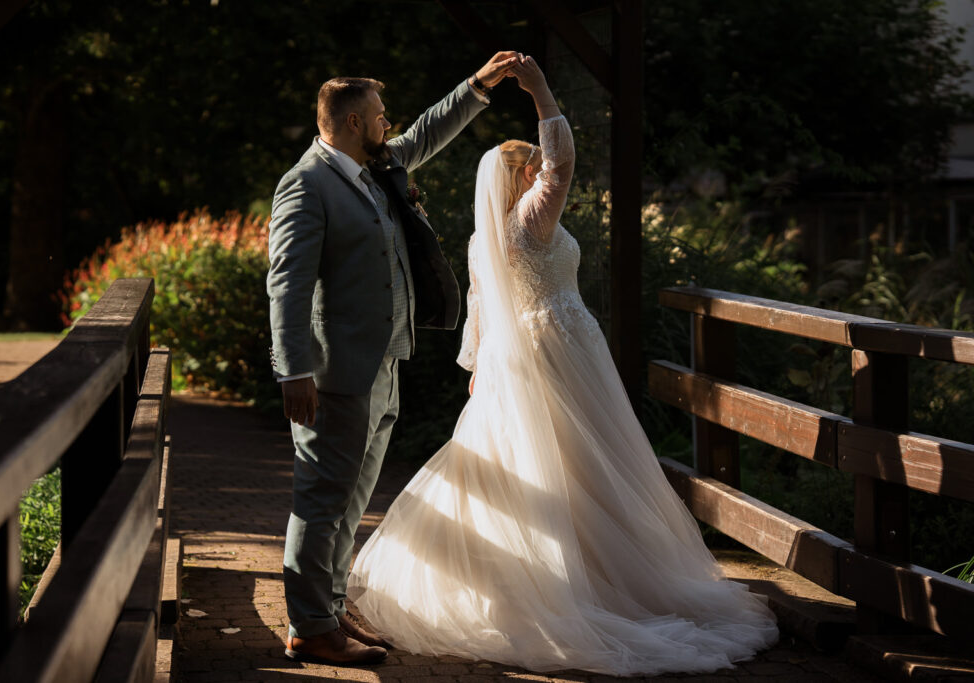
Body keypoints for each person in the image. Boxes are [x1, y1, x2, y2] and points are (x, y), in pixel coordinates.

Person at [347, 56, 779, 676]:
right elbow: (564, 163)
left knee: (547, 462)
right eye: (532, 167)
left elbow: (482, 307)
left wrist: (479, 367)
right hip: (558, 348)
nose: (540, 174)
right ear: (523, 175)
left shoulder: (483, 239)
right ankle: (588, 583)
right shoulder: (530, 220)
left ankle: (569, 571)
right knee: (582, 459)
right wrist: (541, 92)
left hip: (514, 355)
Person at [266, 51, 520, 666]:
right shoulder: (307, 183)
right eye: (381, 116)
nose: (390, 124)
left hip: (384, 363)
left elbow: (427, 131)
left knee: (352, 500)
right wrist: (293, 370)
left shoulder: (374, 168)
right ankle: (310, 627)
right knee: (322, 499)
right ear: (354, 122)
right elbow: (287, 285)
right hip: (335, 373)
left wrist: (478, 85)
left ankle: (330, 609)